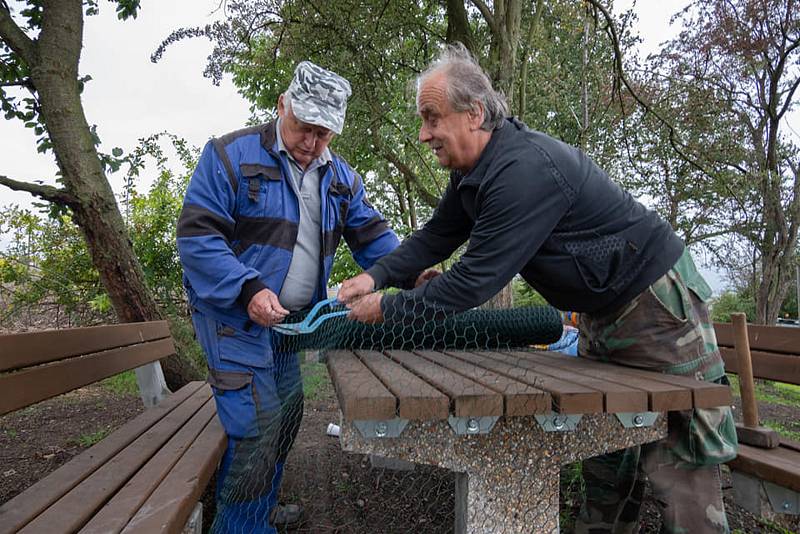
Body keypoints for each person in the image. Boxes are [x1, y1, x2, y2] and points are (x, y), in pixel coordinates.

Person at [339, 44, 738, 533]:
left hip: (654, 303)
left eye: (432, 118)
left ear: (474, 114)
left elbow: (473, 281)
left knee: (680, 461)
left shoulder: (522, 171)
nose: (424, 135)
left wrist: (389, 309)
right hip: (601, 310)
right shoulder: (474, 173)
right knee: (606, 444)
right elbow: (436, 237)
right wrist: (374, 276)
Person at [177, 60, 403, 533]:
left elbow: (375, 238)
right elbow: (198, 238)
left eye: (324, 134)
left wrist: (416, 269)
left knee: (288, 413)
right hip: (234, 318)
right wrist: (248, 288)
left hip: (290, 324)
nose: (312, 143)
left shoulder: (340, 178)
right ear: (283, 105)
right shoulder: (229, 156)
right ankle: (242, 528)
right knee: (258, 425)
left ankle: (260, 509)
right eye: (304, 127)